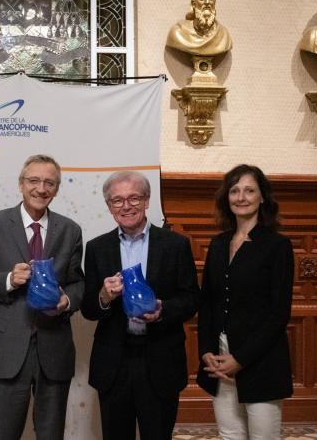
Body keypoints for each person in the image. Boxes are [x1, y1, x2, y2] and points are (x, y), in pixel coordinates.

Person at [0, 154, 84, 440]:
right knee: (2, 434)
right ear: (21, 184)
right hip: (5, 350)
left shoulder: (70, 230)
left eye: (49, 183)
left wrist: (66, 301)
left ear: (57, 189)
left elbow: (78, 284)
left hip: (54, 351)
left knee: (51, 434)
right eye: (34, 180)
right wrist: (9, 279)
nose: (41, 188)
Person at [81, 171, 200, 440]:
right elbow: (89, 308)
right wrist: (103, 296)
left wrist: (162, 311)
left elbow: (192, 298)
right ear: (109, 206)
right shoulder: (97, 248)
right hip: (114, 363)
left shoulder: (175, 244)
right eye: (117, 200)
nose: (126, 206)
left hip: (160, 361)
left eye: (134, 198)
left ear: (147, 201)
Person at [197, 164, 295, 440]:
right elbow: (207, 303)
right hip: (218, 358)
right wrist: (206, 350)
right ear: (226, 197)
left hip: (260, 360)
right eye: (235, 190)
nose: (241, 197)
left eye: (249, 190)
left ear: (263, 196)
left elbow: (279, 313)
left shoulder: (278, 246)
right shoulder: (217, 244)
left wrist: (240, 360)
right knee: (230, 435)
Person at [166, 0, 232, 57]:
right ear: (194, 3)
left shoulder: (223, 35)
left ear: (215, 2)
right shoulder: (178, 33)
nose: (207, 2)